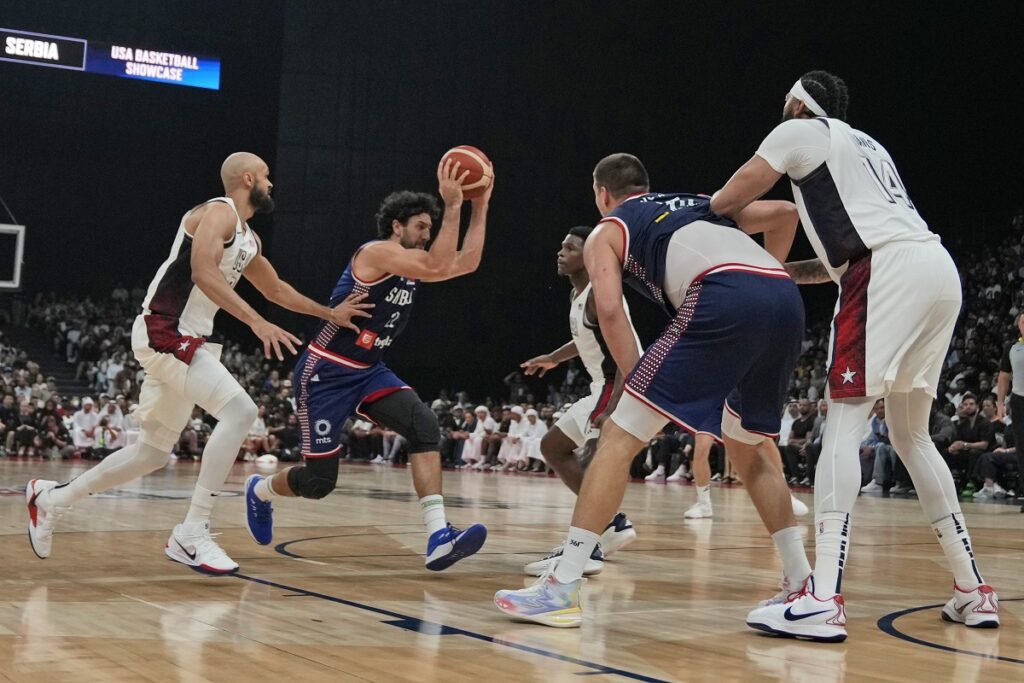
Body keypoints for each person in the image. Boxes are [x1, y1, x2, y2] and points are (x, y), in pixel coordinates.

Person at [713, 71, 999, 639]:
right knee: (911, 435)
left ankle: (823, 596)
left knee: (843, 424)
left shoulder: (796, 130)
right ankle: (972, 591)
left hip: (885, 272)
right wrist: (781, 273)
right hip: (935, 269)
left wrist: (711, 222)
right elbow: (835, 259)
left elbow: (726, 199)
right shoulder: (866, 145)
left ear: (799, 100)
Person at [495, 153, 811, 628]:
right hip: (783, 300)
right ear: (646, 185)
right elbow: (785, 214)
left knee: (618, 439)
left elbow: (609, 309)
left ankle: (562, 590)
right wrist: (769, 275)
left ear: (602, 194)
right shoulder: (704, 203)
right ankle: (802, 586)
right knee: (750, 448)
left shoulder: (609, 228)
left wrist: (635, 383)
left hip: (720, 295)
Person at [26, 152, 371, 574]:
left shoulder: (248, 237)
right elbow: (203, 271)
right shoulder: (218, 213)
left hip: (187, 337)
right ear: (248, 178)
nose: (272, 184)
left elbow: (276, 288)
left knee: (150, 454)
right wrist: (257, 323)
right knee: (241, 410)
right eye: (266, 176)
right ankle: (192, 531)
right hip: (166, 329)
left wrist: (328, 313)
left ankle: (48, 499)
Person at [243, 158, 492, 572]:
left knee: (424, 426)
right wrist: (452, 206)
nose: (427, 234)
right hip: (326, 369)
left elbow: (465, 263)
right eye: (421, 227)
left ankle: (438, 536)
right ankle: (262, 490)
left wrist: (479, 204)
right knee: (320, 482)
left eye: (431, 228)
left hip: (369, 369)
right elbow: (437, 264)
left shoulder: (414, 263)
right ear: (397, 226)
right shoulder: (377, 253)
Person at [519, 225, 644, 571]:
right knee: (552, 447)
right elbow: (586, 340)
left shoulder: (599, 295)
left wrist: (614, 407)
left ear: (588, 257)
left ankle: (586, 549)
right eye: (562, 247)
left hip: (616, 385)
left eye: (570, 248)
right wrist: (553, 358)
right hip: (599, 386)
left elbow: (626, 353)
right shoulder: (579, 295)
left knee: (593, 463)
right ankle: (612, 523)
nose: (561, 253)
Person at [996, 313, 1024, 511]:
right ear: (1019, 325)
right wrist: (1000, 403)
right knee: (1022, 447)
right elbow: (1004, 377)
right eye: (1023, 321)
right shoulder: (1011, 348)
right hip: (1019, 400)